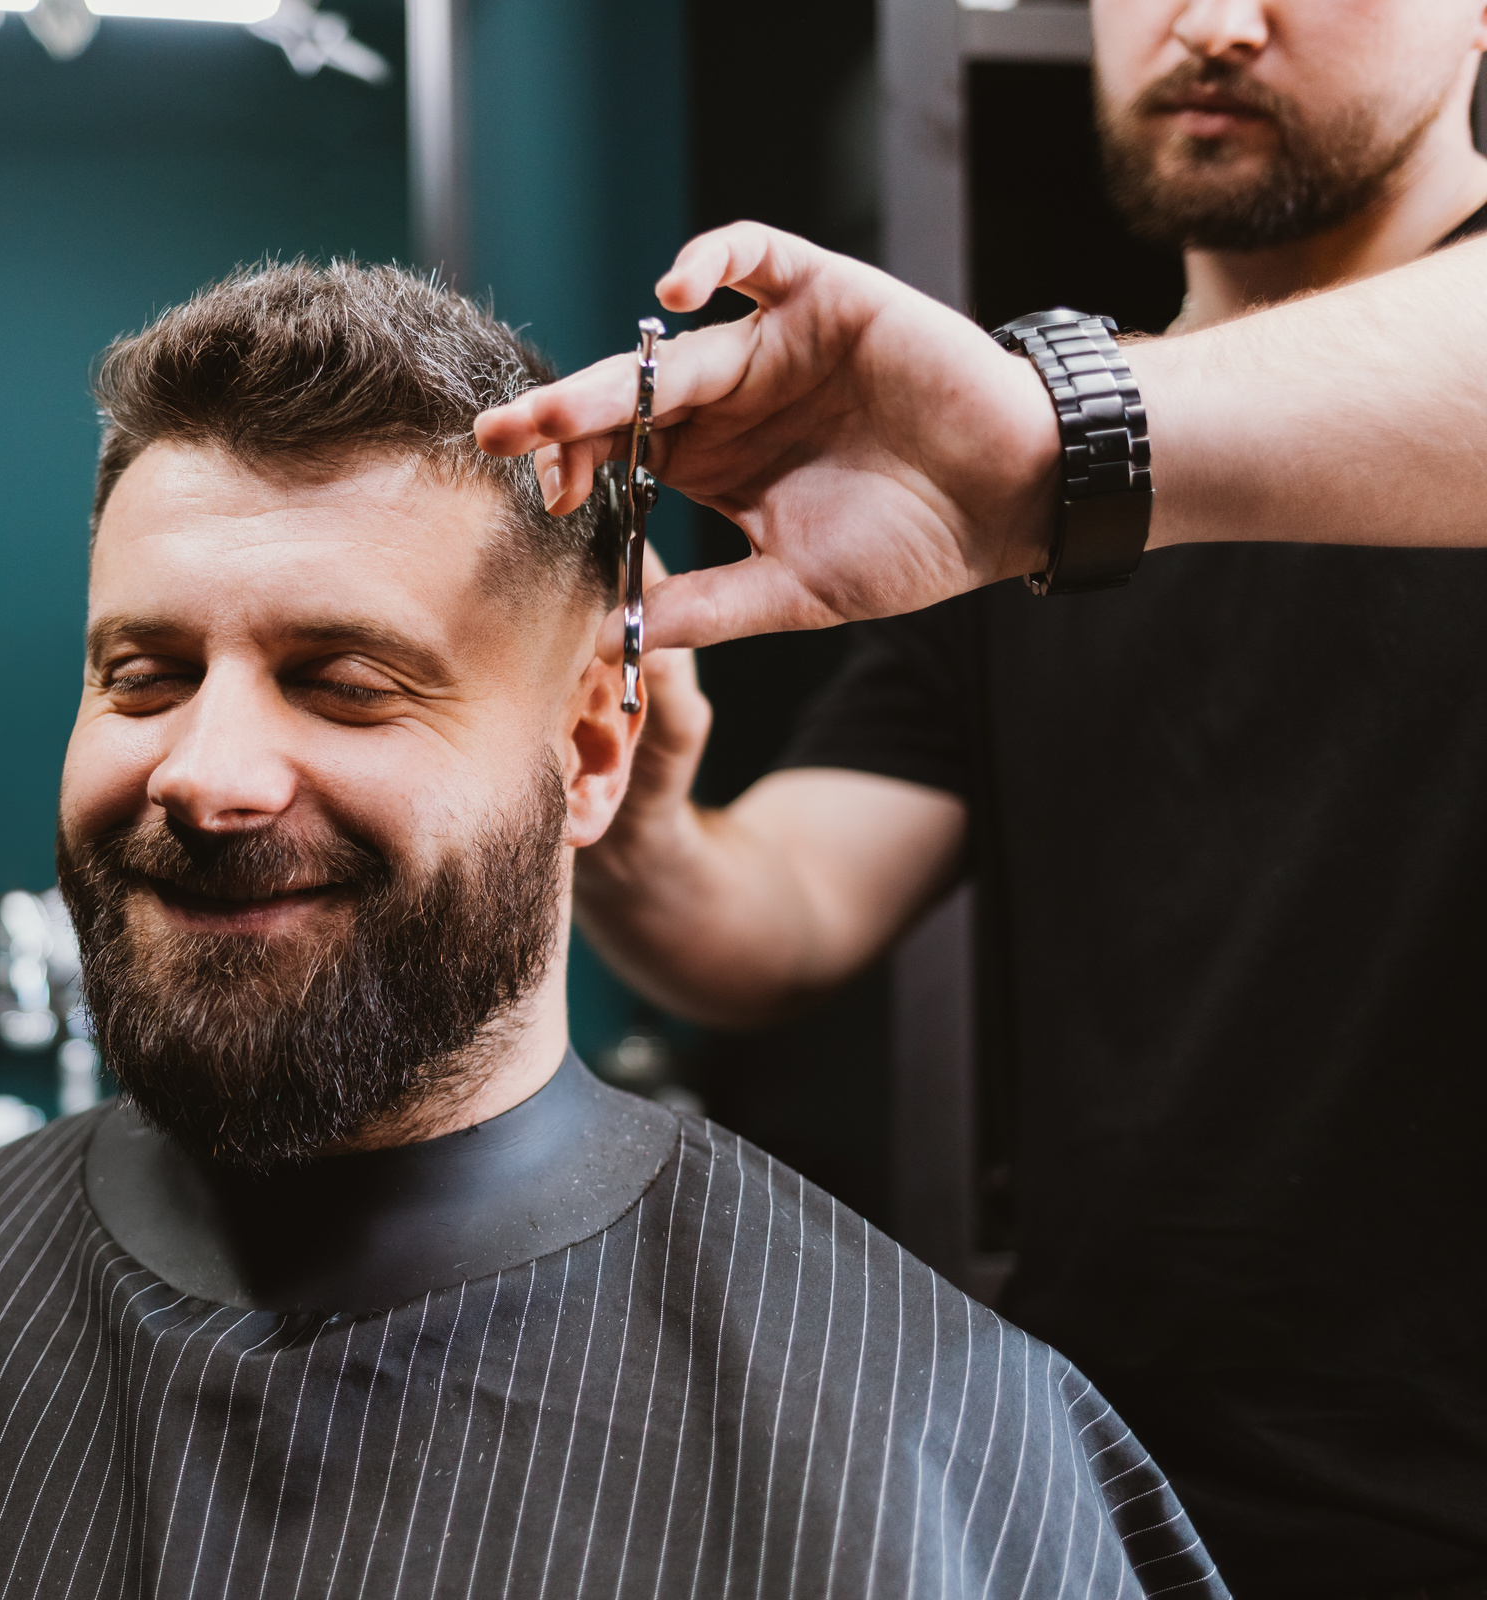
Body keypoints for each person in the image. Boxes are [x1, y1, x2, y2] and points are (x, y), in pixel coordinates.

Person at [0, 266, 1224, 1600]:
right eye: (144, 676)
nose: (205, 771)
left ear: (589, 751)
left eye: (342, 681)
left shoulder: (914, 1432)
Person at [478, 0, 1487, 1587]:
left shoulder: (1042, 452)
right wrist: (629, 815)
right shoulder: (1018, 491)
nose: (1215, 21)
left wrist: (1052, 442)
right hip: (1108, 1508)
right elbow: (782, 919)